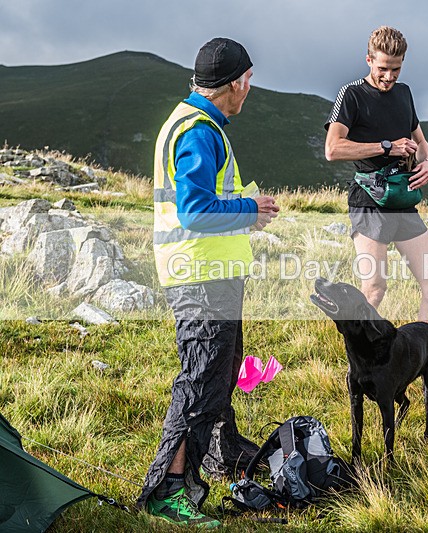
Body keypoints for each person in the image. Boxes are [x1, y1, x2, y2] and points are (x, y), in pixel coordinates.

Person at [137, 37, 279, 528]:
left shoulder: (197, 122)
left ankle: (222, 454)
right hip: (199, 275)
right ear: (235, 83)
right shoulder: (199, 131)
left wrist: (245, 215)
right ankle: (166, 490)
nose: (249, 91)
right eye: (249, 82)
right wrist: (249, 209)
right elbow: (195, 210)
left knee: (219, 369)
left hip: (208, 273)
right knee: (200, 379)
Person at [324, 26, 428, 407]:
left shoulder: (404, 94)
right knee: (374, 288)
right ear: (369, 59)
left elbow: (421, 141)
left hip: (402, 200)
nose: (389, 77)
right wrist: (385, 146)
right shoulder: (352, 94)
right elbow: (333, 148)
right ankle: (363, 370)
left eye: (397, 69)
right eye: (383, 68)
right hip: (368, 200)